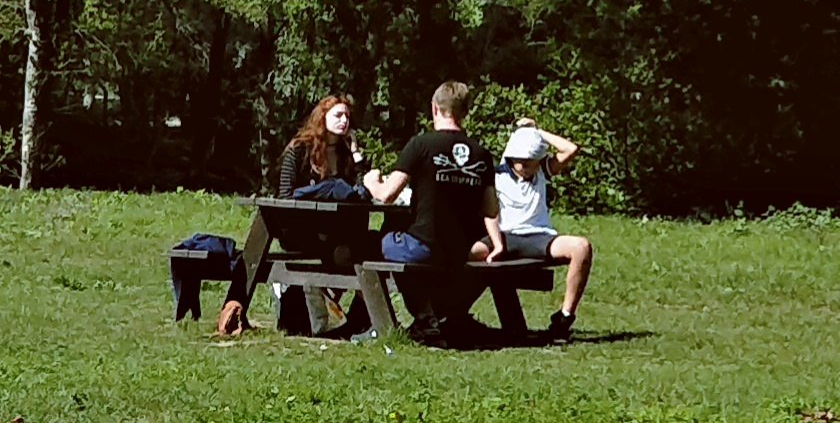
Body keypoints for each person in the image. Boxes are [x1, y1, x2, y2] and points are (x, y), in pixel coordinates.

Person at [213, 94, 386, 338]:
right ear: (321, 117)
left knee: (372, 243)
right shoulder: (299, 149)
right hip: (300, 230)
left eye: (347, 116)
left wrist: (356, 154)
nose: (344, 121)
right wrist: (326, 190)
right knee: (336, 190)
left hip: (334, 231)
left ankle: (362, 320)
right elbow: (285, 197)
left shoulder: (345, 153)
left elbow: (361, 192)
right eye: (338, 115)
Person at [378, 80, 506, 341]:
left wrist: (371, 180)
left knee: (380, 242)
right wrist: (496, 242)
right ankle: (443, 315)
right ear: (466, 111)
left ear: (435, 108)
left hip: (425, 245)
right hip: (461, 249)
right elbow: (491, 208)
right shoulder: (481, 154)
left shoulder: (421, 145)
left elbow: (387, 195)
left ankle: (423, 318)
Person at [494, 119, 593, 338]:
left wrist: (535, 132)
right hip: (505, 237)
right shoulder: (497, 174)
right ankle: (453, 315)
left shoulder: (541, 172)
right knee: (467, 254)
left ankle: (565, 316)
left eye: (533, 162)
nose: (529, 167)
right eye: (523, 163)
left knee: (581, 247)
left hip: (540, 237)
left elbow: (570, 149)